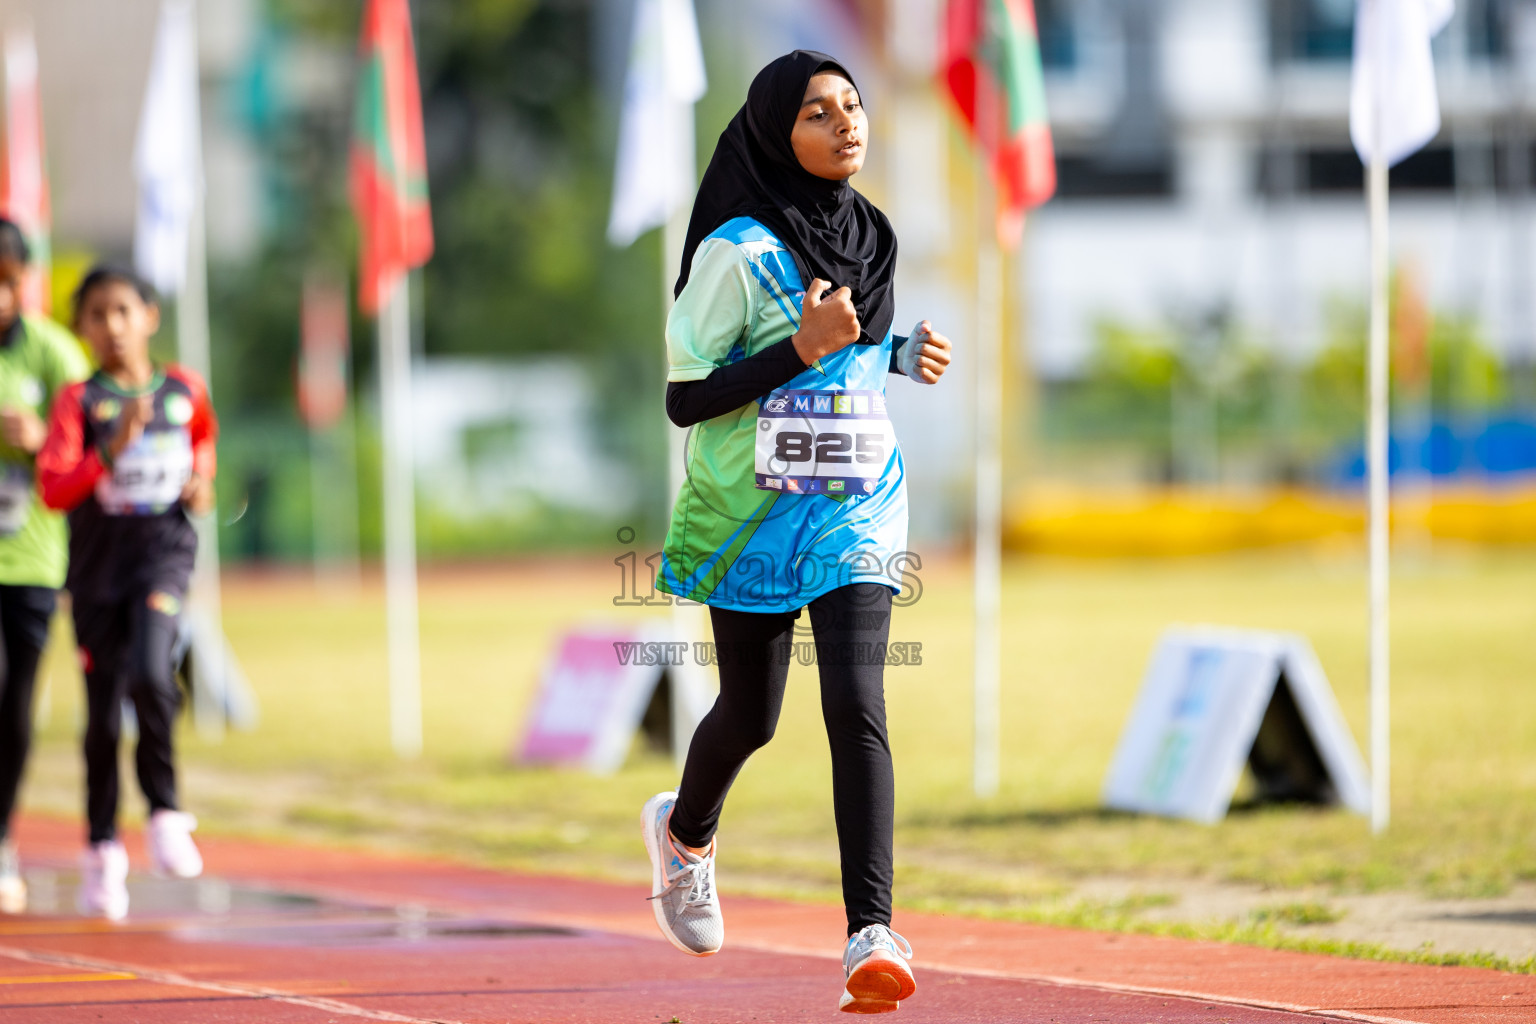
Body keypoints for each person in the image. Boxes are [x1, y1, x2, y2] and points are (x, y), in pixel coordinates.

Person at [641, 51, 952, 1014]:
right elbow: (685, 398)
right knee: (754, 714)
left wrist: (897, 351)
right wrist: (794, 350)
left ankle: (871, 930)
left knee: (858, 707)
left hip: (858, 505)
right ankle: (685, 836)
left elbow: (850, 351)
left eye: (853, 106)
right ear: (782, 133)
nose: (847, 123)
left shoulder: (874, 234)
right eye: (820, 113)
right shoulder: (734, 253)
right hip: (754, 515)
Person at [36, 265, 216, 920]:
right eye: (96, 316)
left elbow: (203, 446)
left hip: (162, 559)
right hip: (97, 574)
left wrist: (202, 484)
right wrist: (112, 449)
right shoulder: (79, 403)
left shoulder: (183, 389)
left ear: (150, 317)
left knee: (152, 669)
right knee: (104, 716)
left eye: (123, 311)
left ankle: (166, 810)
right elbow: (53, 490)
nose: (112, 327)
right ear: (81, 328)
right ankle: (102, 848)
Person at [0, 219, 92, 915]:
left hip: (30, 555)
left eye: (3, 282)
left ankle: (1, 837)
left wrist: (38, 444)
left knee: (14, 703)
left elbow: (89, 461)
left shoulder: (56, 355)